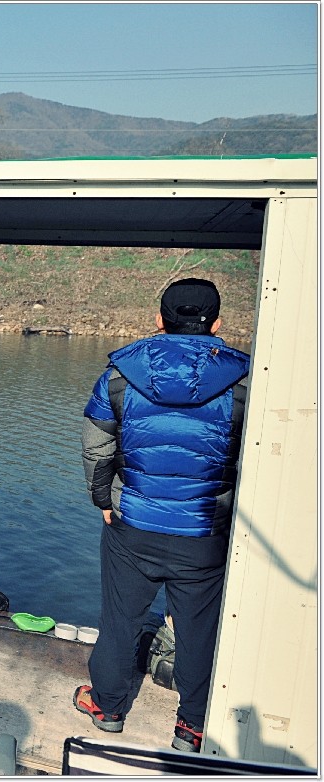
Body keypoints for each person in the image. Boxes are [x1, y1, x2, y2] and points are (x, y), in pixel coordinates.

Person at [74, 278, 249, 753]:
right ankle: (192, 727)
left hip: (132, 526)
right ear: (216, 324)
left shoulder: (119, 374)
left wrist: (103, 500)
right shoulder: (245, 382)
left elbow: (96, 445)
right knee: (198, 629)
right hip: (204, 533)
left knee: (120, 620)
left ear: (159, 320)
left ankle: (108, 708)